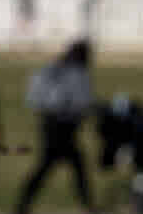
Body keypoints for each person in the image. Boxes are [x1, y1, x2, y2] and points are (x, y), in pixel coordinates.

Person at [14, 40, 96, 214]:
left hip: (48, 123)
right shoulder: (77, 73)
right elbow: (83, 103)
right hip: (65, 126)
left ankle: (22, 205)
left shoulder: (51, 69)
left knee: (50, 167)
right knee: (70, 167)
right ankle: (87, 206)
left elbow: (33, 97)